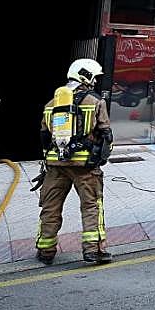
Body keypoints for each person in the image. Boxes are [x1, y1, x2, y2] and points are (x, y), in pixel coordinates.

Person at [35, 58, 114, 265]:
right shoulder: (96, 102)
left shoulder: (51, 104)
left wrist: (48, 162)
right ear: (85, 76)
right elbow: (105, 134)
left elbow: (44, 137)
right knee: (91, 206)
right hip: (85, 166)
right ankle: (93, 250)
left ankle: (45, 250)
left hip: (55, 165)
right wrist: (101, 158)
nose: (95, 82)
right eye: (94, 77)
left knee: (50, 207)